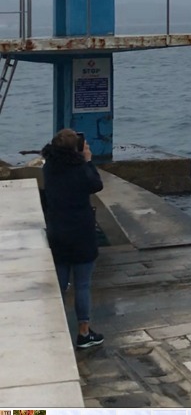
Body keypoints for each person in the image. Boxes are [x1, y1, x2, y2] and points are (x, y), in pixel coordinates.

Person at [41, 128, 104, 349]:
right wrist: (87, 161)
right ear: (76, 149)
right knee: (83, 284)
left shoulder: (49, 168)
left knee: (59, 284)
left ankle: (52, 328)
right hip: (81, 233)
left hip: (58, 231)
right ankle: (84, 332)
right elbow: (96, 184)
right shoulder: (80, 169)